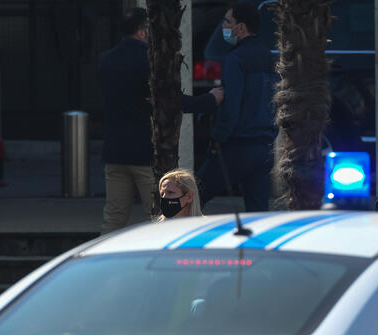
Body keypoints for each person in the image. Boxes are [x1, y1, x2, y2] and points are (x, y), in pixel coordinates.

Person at [99, 8, 223, 234]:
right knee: (160, 214)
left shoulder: (106, 60)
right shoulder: (149, 61)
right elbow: (170, 101)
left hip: (115, 151)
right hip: (145, 151)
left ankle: (102, 255)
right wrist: (209, 100)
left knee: (114, 216)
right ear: (142, 32)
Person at [197, 2, 277, 212]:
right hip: (264, 147)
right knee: (258, 211)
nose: (223, 26)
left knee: (191, 196)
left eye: (227, 22)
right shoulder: (268, 56)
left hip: (237, 146)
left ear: (240, 28)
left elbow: (231, 106)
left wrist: (218, 137)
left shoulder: (235, 59)